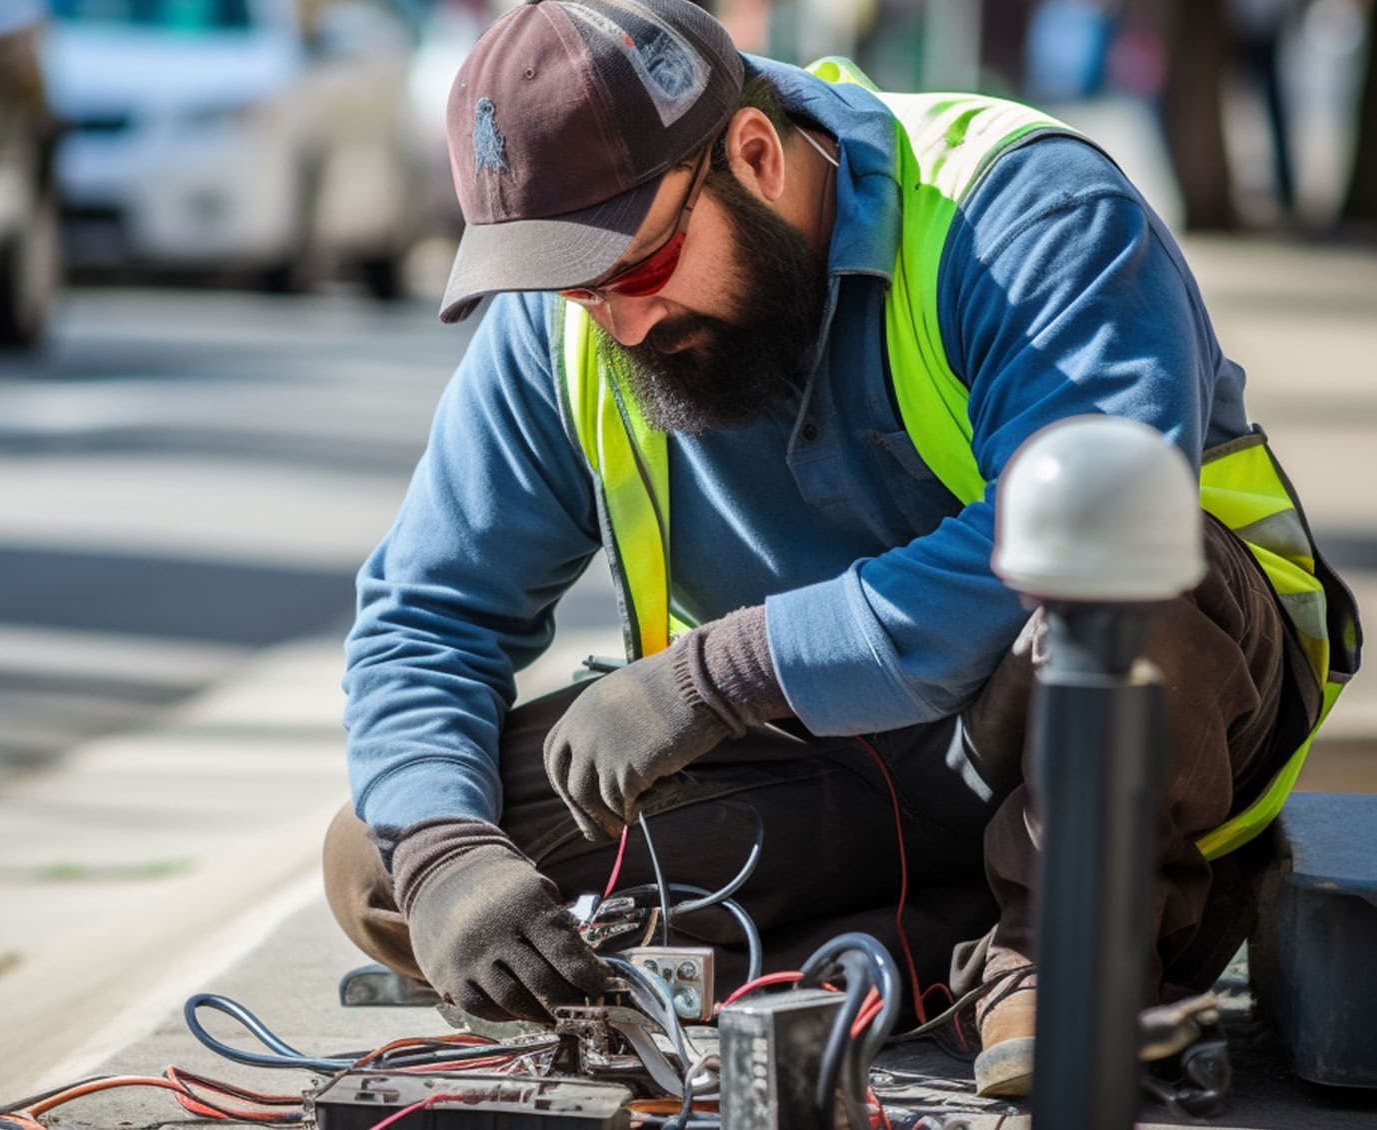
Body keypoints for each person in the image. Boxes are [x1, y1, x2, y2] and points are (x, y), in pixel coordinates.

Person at [322, 0, 1358, 1098]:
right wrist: (449, 857)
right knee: (380, 859)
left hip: (1094, 716)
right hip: (829, 759)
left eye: (634, 268)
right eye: (575, 287)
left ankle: (1053, 952)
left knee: (1124, 566)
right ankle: (897, 959)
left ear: (755, 154)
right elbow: (426, 613)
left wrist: (720, 672)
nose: (616, 323)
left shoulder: (1022, 212)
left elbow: (1101, 518)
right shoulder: (564, 322)